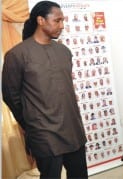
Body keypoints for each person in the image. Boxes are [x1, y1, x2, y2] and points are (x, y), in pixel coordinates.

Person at [2, 1, 88, 178]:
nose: (62, 25)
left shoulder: (64, 51)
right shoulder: (17, 55)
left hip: (73, 129)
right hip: (44, 134)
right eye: (57, 20)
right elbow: (11, 96)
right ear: (41, 20)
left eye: (63, 20)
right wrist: (31, 122)